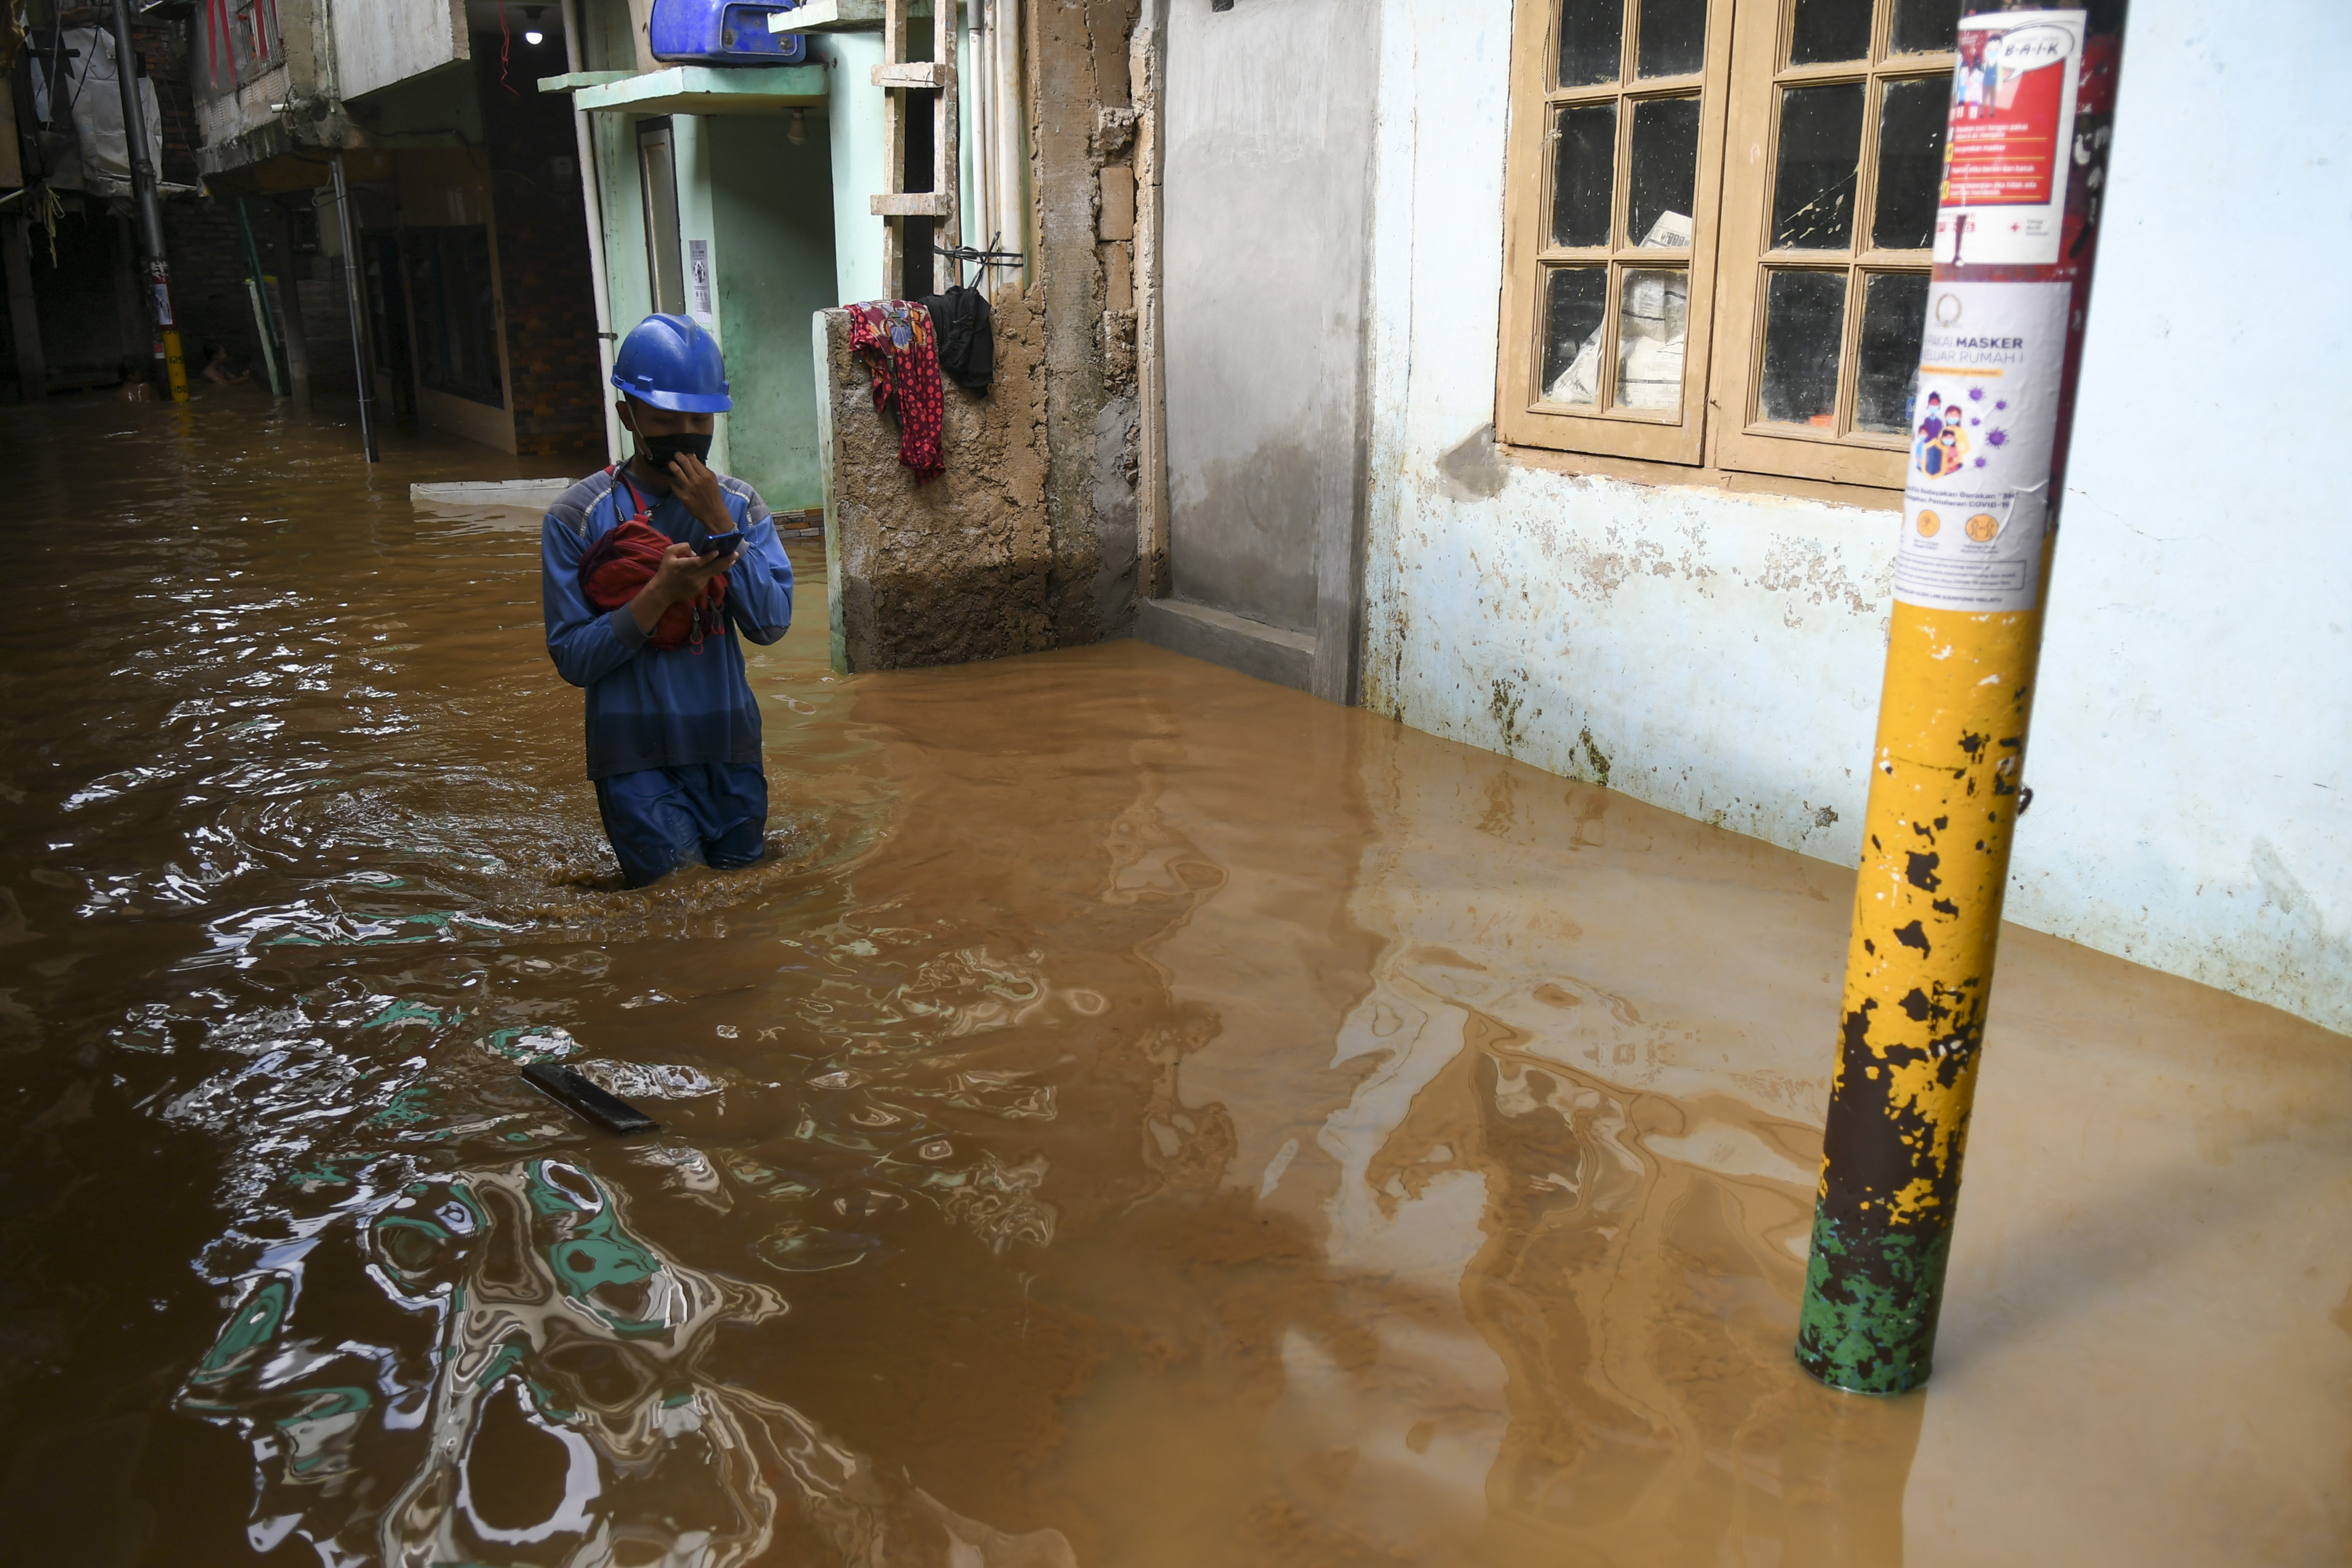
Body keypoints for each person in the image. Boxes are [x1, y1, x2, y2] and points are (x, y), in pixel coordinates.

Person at [540, 314, 794, 887]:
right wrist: (657, 595)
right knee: (678, 906)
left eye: (699, 417)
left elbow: (771, 624)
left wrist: (720, 524)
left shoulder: (740, 505)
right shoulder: (576, 517)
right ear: (627, 413)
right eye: (665, 418)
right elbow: (573, 660)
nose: (686, 430)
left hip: (729, 750)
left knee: (741, 906)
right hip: (636, 761)